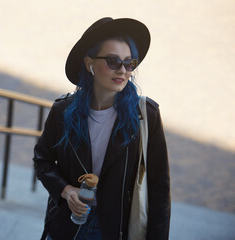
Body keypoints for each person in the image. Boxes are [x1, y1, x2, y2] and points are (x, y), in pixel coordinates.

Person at [33, 17, 170, 240]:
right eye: (113, 61)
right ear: (89, 64)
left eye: (129, 63)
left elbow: (159, 188)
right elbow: (43, 161)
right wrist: (67, 192)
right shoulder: (63, 111)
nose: (123, 70)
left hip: (113, 228)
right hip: (66, 224)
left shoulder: (145, 116)